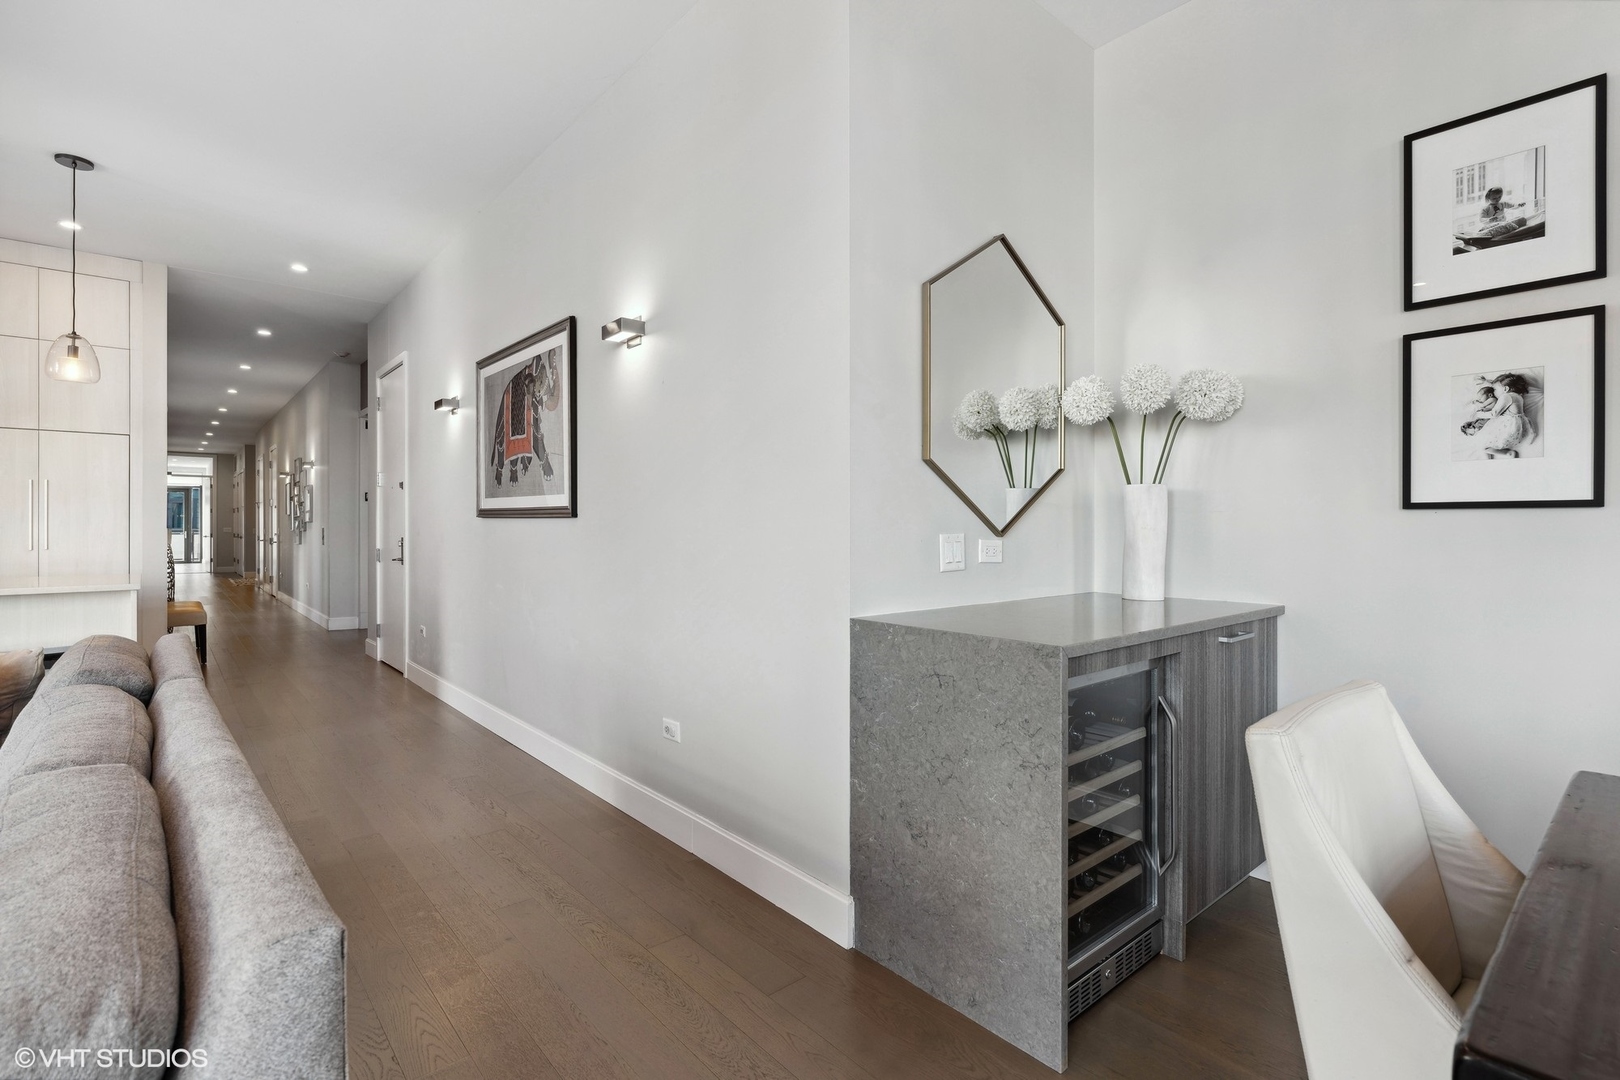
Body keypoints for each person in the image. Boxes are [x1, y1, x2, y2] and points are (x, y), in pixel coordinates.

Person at [1460, 373, 1533, 458]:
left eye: (1494, 389)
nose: (1493, 392)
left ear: (1506, 389)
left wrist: (1479, 414)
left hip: (1508, 426)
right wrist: (1486, 381)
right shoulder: (1518, 396)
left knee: (1484, 446)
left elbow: (1494, 414)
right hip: (1519, 427)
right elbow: (1499, 385)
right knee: (1486, 442)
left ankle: (1507, 453)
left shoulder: (1506, 396)